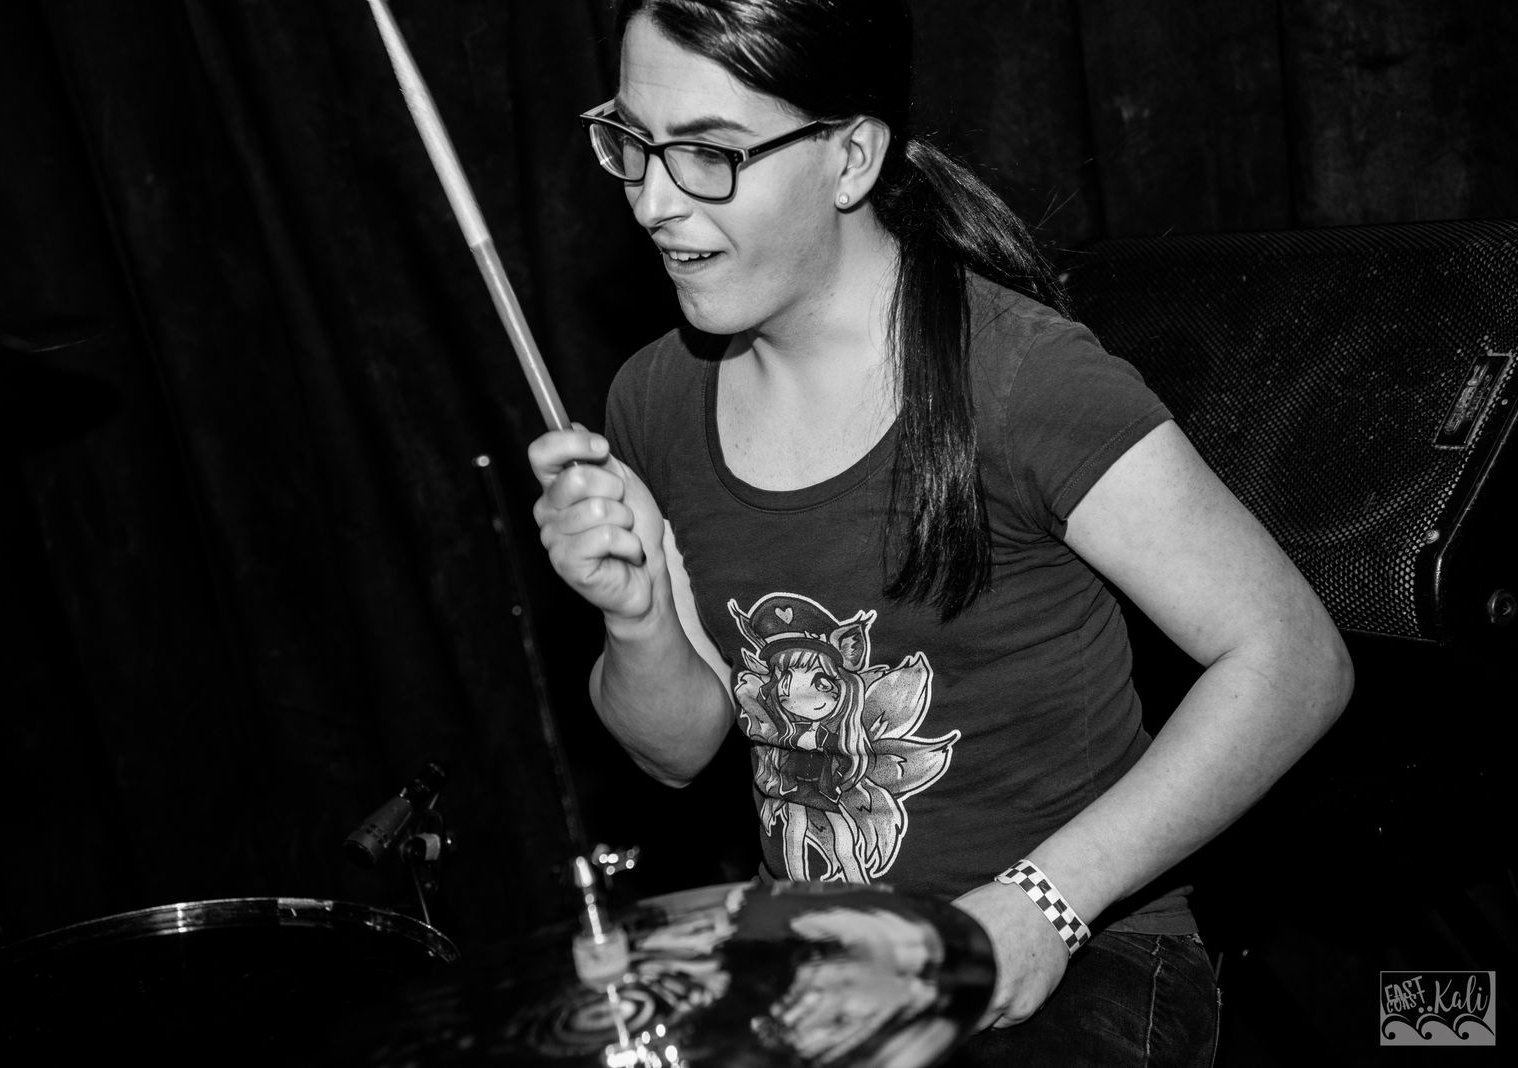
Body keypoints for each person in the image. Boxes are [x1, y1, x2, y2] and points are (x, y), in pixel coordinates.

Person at [527, 1, 1353, 1063]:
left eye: (708, 154)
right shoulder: (655, 397)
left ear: (850, 157)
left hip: (1081, 947)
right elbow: (677, 753)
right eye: (633, 143)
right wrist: (634, 614)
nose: (651, 200)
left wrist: (1042, 905)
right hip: (826, 957)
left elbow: (1293, 659)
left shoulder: (1020, 378)